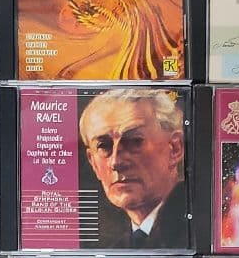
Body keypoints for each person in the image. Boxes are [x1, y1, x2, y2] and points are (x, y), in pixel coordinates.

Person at [78, 89, 186, 249]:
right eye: (103, 146)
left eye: (135, 141)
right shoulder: (116, 250)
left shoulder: (206, 225)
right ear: (93, 163)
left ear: (175, 148)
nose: (116, 162)